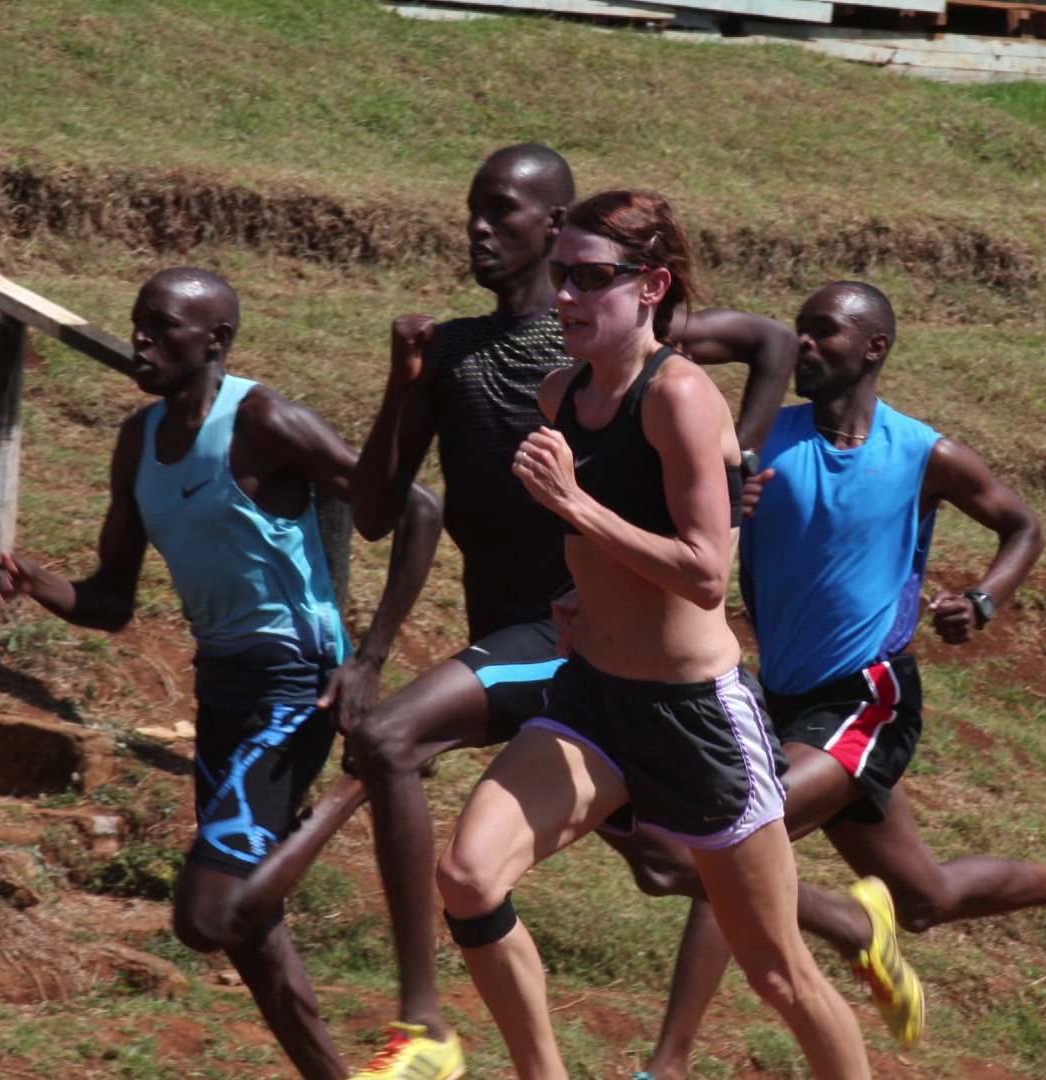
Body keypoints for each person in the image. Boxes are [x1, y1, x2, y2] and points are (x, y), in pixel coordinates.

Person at [326, 144, 800, 1080]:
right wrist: (402, 377)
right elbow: (376, 515)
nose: (478, 228)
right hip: (544, 639)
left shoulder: (611, 344)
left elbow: (765, 347)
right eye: (471, 208)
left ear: (556, 229)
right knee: (668, 864)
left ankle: (426, 1024)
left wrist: (731, 467)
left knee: (387, 744)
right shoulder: (459, 350)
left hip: (573, 637)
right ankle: (840, 911)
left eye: (502, 211)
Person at [629, 281, 1046, 1080]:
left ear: (873, 347)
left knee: (729, 833)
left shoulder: (922, 453)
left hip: (867, 695)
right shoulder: (767, 442)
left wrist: (983, 598)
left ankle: (665, 1065)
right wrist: (737, 501)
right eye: (796, 331)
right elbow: (682, 383)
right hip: (779, 698)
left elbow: (1023, 524)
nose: (802, 345)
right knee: (924, 899)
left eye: (823, 332)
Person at [434, 189, 874, 1080]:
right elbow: (597, 543)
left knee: (781, 977)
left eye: (592, 278)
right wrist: (576, 592)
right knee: (470, 877)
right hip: (594, 701)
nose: (566, 296)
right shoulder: (559, 392)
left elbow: (707, 572)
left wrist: (574, 508)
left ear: (650, 286)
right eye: (563, 276)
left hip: (697, 719)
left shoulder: (679, 398)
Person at [0, 268, 441, 1080]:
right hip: (223, 697)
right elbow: (112, 601)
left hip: (297, 686)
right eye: (137, 324)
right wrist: (32, 581)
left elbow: (415, 507)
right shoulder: (137, 442)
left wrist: (369, 660)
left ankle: (367, 772)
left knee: (207, 913)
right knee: (252, 932)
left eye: (162, 327)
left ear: (215, 341)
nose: (141, 340)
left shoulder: (261, 421)